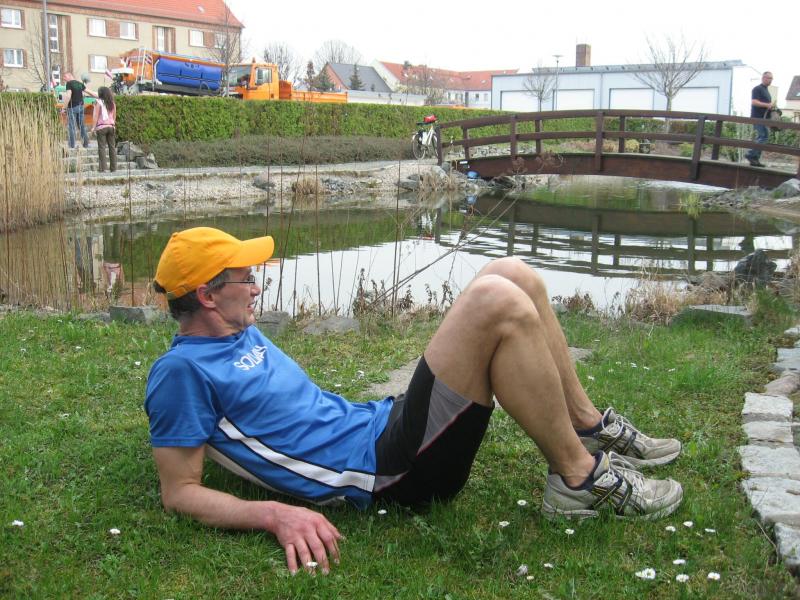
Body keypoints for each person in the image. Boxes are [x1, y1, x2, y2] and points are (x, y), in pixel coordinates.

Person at [145, 227, 684, 575]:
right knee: (495, 300)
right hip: (389, 471)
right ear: (207, 296)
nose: (257, 286)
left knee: (511, 272)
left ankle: (586, 426)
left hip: (383, 423)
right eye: (245, 279)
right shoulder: (181, 373)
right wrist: (275, 515)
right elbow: (180, 492)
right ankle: (578, 480)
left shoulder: (238, 331)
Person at [745, 71, 776, 168]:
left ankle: (755, 159)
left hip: (764, 118)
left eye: (771, 78)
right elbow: (754, 102)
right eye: (769, 78)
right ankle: (750, 155)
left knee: (763, 137)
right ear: (763, 78)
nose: (770, 80)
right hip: (758, 117)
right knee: (763, 136)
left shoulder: (766, 90)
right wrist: (767, 105)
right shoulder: (757, 89)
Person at [62, 72, 96, 150]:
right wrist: (100, 96)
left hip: (72, 107)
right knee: (81, 126)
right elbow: (90, 92)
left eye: (65, 77)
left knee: (71, 126)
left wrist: (64, 108)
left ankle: (72, 145)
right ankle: (86, 144)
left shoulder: (69, 84)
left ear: (70, 76)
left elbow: (68, 96)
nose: (64, 79)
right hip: (81, 107)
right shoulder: (79, 84)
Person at [91, 87, 117, 172]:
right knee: (112, 147)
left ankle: (103, 168)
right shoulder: (112, 103)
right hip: (111, 126)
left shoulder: (98, 103)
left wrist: (93, 127)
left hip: (101, 127)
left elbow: (96, 116)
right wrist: (113, 124)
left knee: (102, 148)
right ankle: (113, 168)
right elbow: (114, 115)